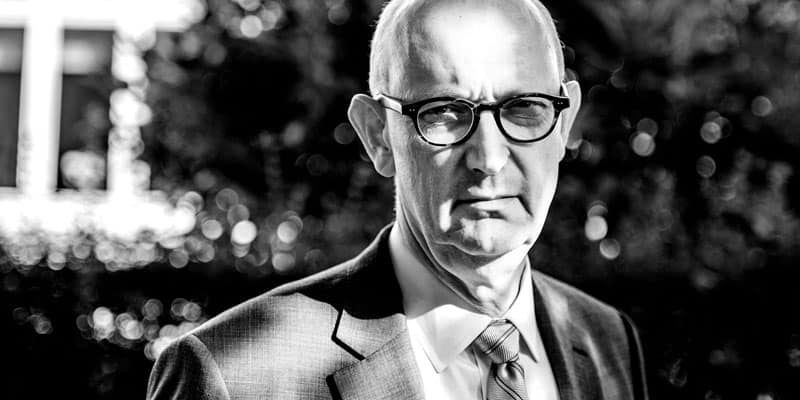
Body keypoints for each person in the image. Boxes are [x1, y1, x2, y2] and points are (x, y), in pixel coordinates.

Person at [147, 0, 649, 399]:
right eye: (445, 112)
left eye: (524, 108)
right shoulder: (235, 377)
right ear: (378, 136)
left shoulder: (607, 341)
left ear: (563, 124)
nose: (490, 158)